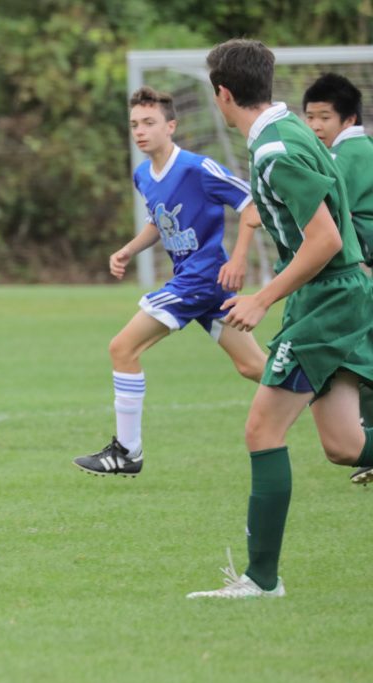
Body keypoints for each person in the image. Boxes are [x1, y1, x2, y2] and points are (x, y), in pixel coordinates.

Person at [187, 39, 373, 599]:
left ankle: (261, 580)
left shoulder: (276, 150)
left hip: (327, 298)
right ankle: (261, 579)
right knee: (343, 444)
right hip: (334, 294)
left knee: (262, 429)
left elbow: (326, 238)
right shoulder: (288, 130)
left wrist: (262, 298)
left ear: (223, 93)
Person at [73, 86, 267, 477]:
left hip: (202, 278)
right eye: (134, 124)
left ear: (171, 125)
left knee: (122, 347)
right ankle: (337, 394)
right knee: (253, 367)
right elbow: (160, 224)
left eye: (149, 122)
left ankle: (127, 452)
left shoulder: (198, 168)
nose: (140, 131)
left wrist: (240, 258)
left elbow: (252, 203)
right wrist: (129, 250)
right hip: (194, 283)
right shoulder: (143, 174)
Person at [302, 73, 373, 486]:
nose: (314, 126)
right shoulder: (353, 149)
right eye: (309, 117)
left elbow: (325, 199)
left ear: (348, 119)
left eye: (323, 117)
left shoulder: (350, 152)